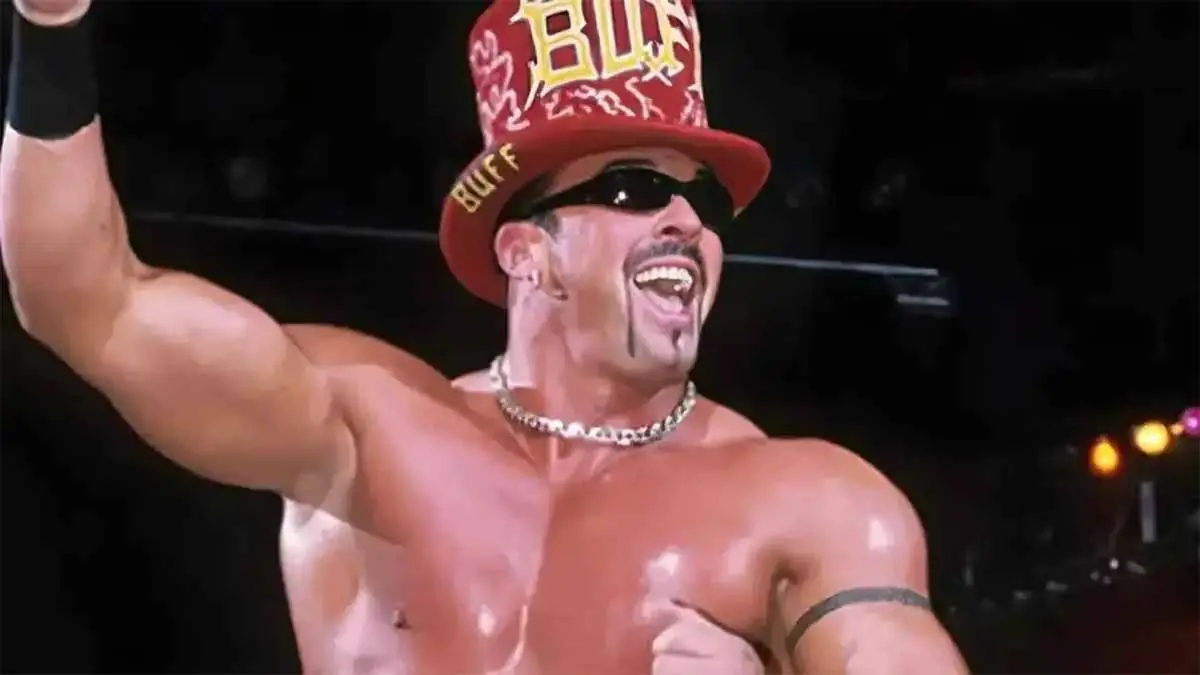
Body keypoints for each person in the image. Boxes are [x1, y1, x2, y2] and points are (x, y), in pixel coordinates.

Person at [2, 0, 970, 673]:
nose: (687, 222)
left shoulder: (814, 506)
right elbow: (84, 299)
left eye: (703, 200)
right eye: (635, 189)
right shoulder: (366, 433)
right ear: (526, 252)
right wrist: (50, 26)